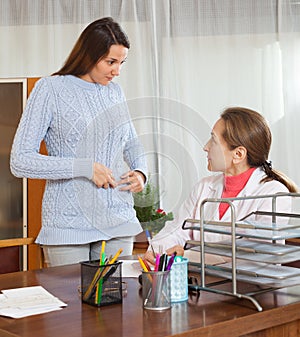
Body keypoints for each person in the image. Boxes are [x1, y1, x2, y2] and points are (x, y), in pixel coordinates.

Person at [10, 17, 147, 266]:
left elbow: (132, 142)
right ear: (89, 55)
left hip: (118, 220)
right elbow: (20, 160)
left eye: (121, 63)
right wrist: (84, 168)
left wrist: (141, 172)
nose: (117, 71)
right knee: (71, 303)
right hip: (68, 226)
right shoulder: (50, 89)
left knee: (116, 304)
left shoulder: (115, 92)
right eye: (111, 62)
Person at [144, 107, 298, 264]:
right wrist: (156, 250)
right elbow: (178, 229)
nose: (206, 147)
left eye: (213, 140)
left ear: (238, 154)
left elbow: (256, 255)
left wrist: (188, 256)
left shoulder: (274, 195)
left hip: (250, 287)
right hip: (203, 283)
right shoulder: (204, 187)